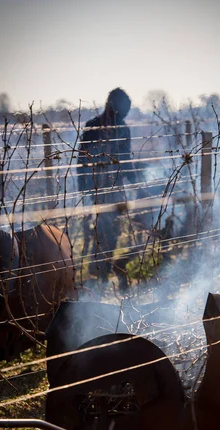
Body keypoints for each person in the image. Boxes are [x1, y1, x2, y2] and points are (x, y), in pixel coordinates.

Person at [77, 88, 138, 284]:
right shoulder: (100, 127)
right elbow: (83, 160)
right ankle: (99, 274)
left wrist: (85, 187)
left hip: (106, 190)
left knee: (107, 232)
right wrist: (136, 182)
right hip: (103, 190)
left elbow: (124, 160)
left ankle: (100, 274)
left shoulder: (100, 126)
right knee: (106, 232)